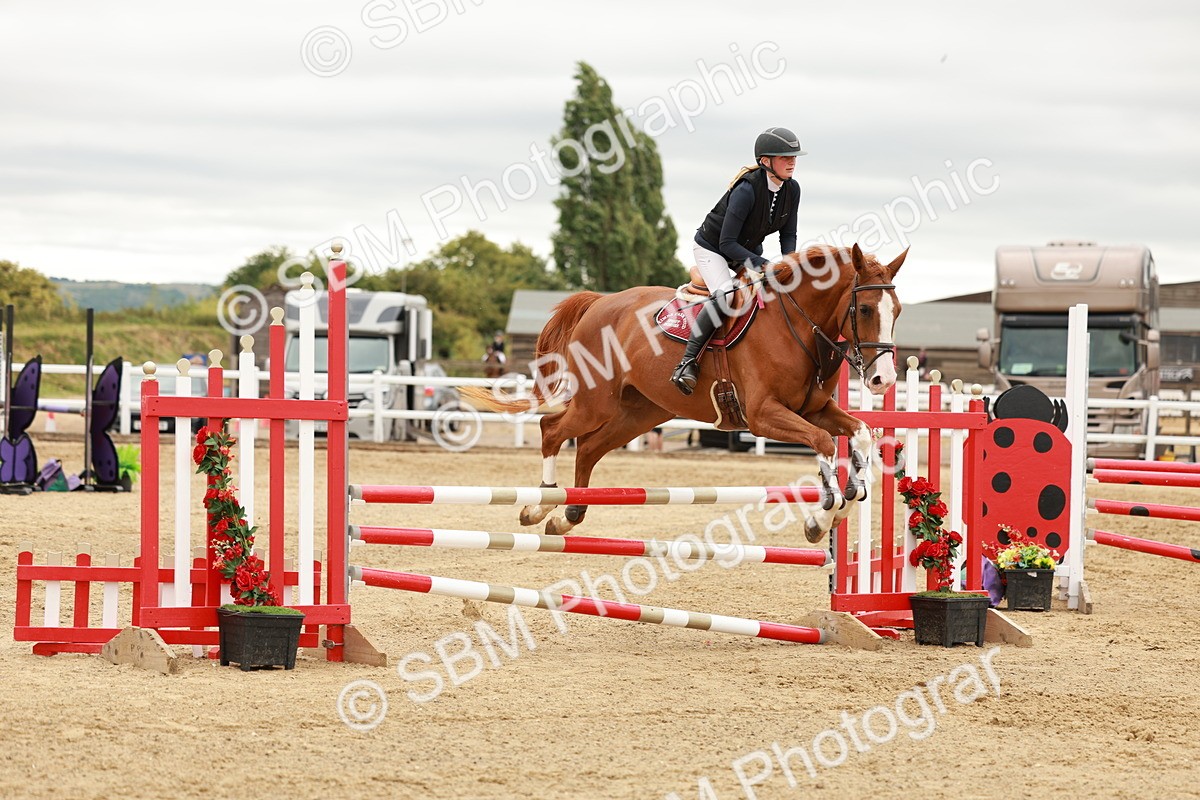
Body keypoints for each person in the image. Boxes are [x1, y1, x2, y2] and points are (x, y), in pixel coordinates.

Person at [671, 126, 805, 395]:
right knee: (726, 295)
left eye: (793, 157)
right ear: (765, 162)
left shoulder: (792, 189)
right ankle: (687, 363)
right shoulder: (746, 190)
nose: (791, 162)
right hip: (713, 249)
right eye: (784, 157)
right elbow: (726, 243)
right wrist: (765, 265)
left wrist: (789, 265)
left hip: (745, 250)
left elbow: (788, 234)